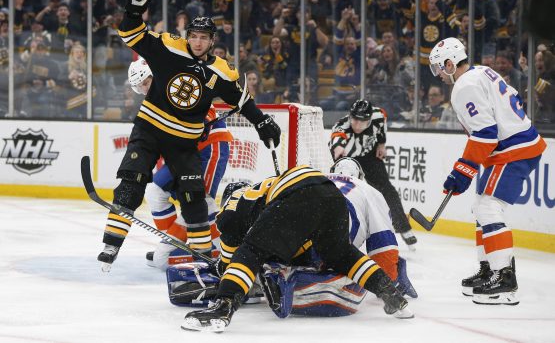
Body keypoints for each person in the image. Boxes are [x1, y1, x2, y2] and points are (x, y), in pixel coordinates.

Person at [97, 0, 281, 271]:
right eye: (193, 36)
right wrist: (133, 11)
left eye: (203, 38)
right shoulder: (168, 48)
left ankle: (202, 254)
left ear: (211, 41)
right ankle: (112, 242)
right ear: (188, 37)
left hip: (184, 141)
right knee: (133, 180)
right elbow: (132, 34)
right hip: (150, 128)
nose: (197, 42)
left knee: (194, 197)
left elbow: (241, 99)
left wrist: (262, 121)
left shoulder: (221, 70)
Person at [181, 165, 413, 332]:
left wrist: (224, 275)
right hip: (330, 195)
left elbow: (231, 261)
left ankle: (223, 308)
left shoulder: (230, 210)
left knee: (250, 251)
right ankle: (390, 294)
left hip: (299, 195)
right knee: (341, 254)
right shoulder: (261, 188)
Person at [428, 37, 546, 305]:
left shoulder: (463, 86)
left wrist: (463, 171)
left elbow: (485, 134)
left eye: (438, 68)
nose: (438, 75)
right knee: (480, 207)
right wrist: (466, 169)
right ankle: (488, 269)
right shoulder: (481, 71)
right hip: (516, 144)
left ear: (449, 63)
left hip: (514, 149)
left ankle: (504, 277)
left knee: (488, 207)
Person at [127, 58, 233, 270]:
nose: (144, 90)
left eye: (146, 83)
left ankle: (224, 253)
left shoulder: (177, 83)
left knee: (199, 201)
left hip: (209, 149)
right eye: (140, 88)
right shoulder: (154, 102)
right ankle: (178, 244)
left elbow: (206, 106)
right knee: (155, 191)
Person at [329, 100, 417, 248]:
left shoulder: (378, 115)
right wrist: (338, 148)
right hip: (349, 162)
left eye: (361, 122)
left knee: (387, 190)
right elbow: (337, 138)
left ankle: (403, 227)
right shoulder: (342, 125)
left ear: (369, 120)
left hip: (369, 157)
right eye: (354, 119)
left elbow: (382, 126)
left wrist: (381, 144)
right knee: (346, 196)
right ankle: (340, 232)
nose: (356, 125)